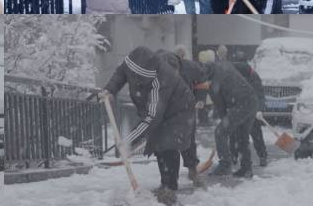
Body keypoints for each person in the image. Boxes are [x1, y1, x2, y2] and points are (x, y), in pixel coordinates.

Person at [99, 47, 195, 206]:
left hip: (180, 109)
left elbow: (151, 117)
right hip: (161, 108)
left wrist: (127, 141)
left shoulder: (161, 80)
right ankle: (165, 184)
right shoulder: (132, 63)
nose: (135, 80)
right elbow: (121, 72)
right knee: (158, 143)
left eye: (140, 78)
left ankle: (170, 189)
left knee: (169, 143)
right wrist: (110, 90)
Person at [201, 59, 259, 178]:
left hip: (241, 104)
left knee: (219, 132)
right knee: (243, 136)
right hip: (252, 100)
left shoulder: (213, 85)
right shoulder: (224, 65)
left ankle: (225, 165)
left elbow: (221, 109)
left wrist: (225, 126)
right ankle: (246, 168)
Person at [158, 46, 207, 188]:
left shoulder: (191, 67)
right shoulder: (164, 67)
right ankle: (169, 181)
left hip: (187, 111)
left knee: (188, 142)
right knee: (168, 145)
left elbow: (202, 80)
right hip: (169, 111)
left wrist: (200, 98)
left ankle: (193, 172)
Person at [230, 61, 268, 167]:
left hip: (252, 108)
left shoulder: (253, 77)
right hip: (237, 108)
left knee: (256, 133)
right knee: (234, 134)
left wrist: (260, 109)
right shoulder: (232, 76)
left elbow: (260, 94)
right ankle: (233, 156)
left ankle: (262, 156)